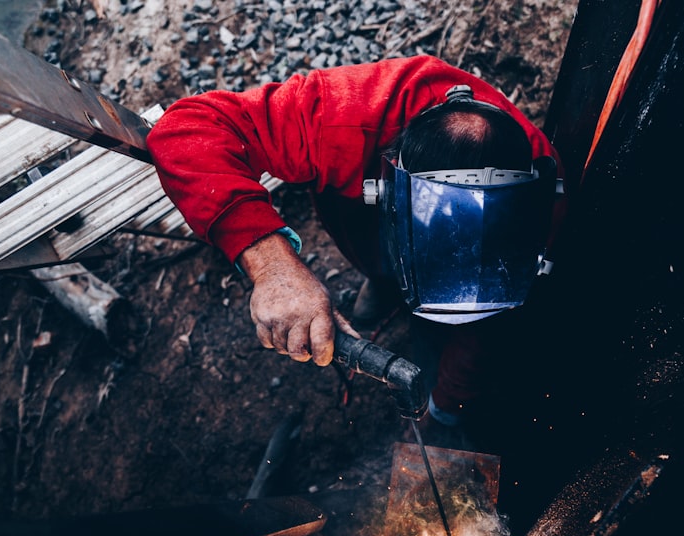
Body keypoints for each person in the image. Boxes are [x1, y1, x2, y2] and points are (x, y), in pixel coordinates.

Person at [147, 55, 563, 449]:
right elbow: (186, 127)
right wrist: (272, 265)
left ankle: (410, 301)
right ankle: (384, 279)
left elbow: (487, 330)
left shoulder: (546, 193)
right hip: (364, 227)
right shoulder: (347, 116)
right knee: (376, 262)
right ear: (386, 193)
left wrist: (445, 407)